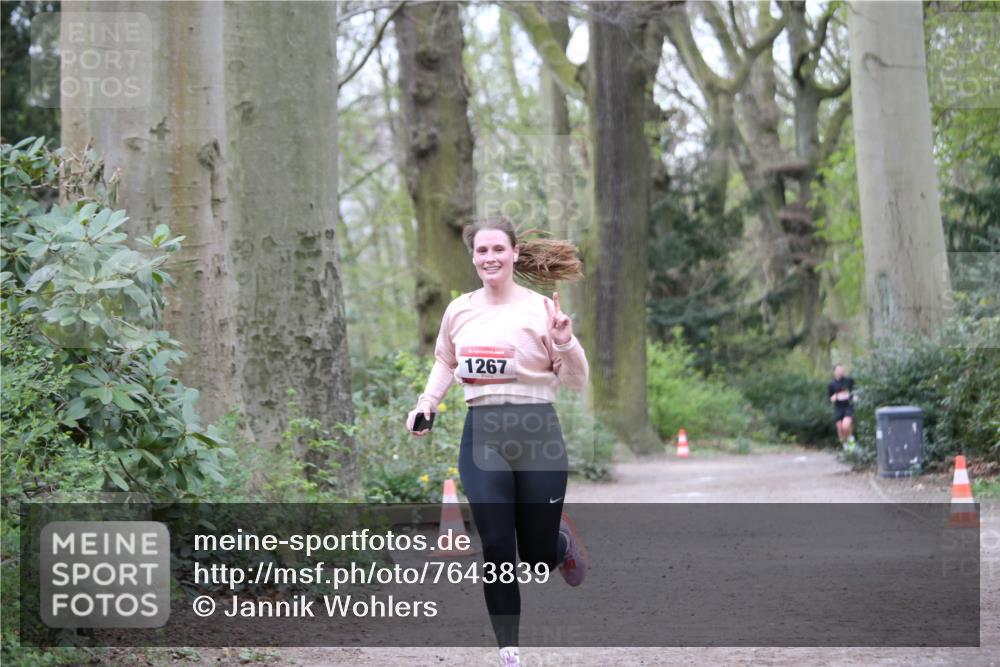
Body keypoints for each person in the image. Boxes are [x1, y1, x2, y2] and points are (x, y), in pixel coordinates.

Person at [406, 217, 590, 667]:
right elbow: (445, 361)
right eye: (481, 251)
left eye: (497, 250)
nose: (489, 258)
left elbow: (576, 383)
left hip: (537, 433)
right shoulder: (460, 309)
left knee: (536, 554)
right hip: (483, 434)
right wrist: (427, 403)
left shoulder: (541, 309)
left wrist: (565, 343)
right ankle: (509, 652)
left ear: (513, 254)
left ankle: (559, 545)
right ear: (473, 257)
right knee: (497, 547)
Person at [827, 364, 856, 450]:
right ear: (835, 372)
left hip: (848, 406)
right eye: (839, 370)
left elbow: (855, 391)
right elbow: (829, 398)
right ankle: (845, 445)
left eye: (842, 369)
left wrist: (855, 396)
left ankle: (851, 442)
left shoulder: (849, 381)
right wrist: (832, 398)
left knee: (846, 426)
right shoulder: (831, 384)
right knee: (840, 428)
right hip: (838, 408)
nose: (841, 371)